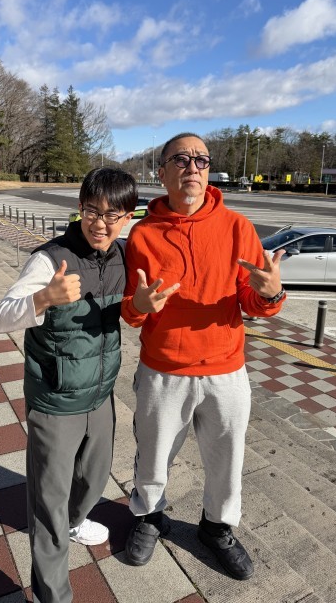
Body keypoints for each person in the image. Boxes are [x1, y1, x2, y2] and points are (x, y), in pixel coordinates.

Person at [121, 133, 285, 581]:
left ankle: (217, 528)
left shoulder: (237, 227)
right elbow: (131, 312)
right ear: (161, 173)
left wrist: (272, 294)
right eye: (181, 159)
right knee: (153, 455)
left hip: (226, 371)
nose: (192, 167)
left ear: (209, 171)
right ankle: (150, 516)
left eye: (201, 160)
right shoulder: (143, 234)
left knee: (227, 460)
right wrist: (138, 306)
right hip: (163, 371)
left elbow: (253, 301)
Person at [0, 167, 138, 603]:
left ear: (127, 217)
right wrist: (43, 298)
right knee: (48, 503)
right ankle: (52, 594)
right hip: (54, 400)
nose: (100, 223)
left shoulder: (124, 256)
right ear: (80, 209)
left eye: (111, 215)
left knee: (93, 479)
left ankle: (75, 522)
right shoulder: (50, 259)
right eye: (91, 211)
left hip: (100, 395)